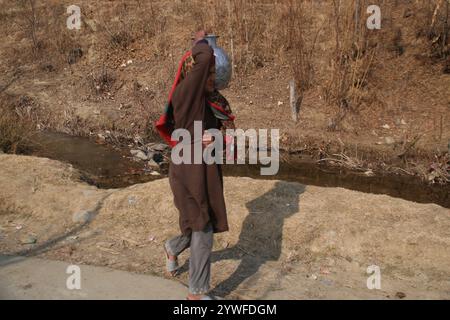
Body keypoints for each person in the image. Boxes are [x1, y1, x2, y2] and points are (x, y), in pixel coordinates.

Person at [162, 30, 232, 300]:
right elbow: (202, 59)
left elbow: (229, 134)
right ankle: (197, 292)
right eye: (211, 75)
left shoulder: (211, 100)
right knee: (202, 226)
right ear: (197, 72)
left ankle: (172, 247)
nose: (214, 80)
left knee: (201, 224)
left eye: (216, 75)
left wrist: (215, 136)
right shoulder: (187, 94)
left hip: (206, 169)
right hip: (188, 170)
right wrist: (203, 42)